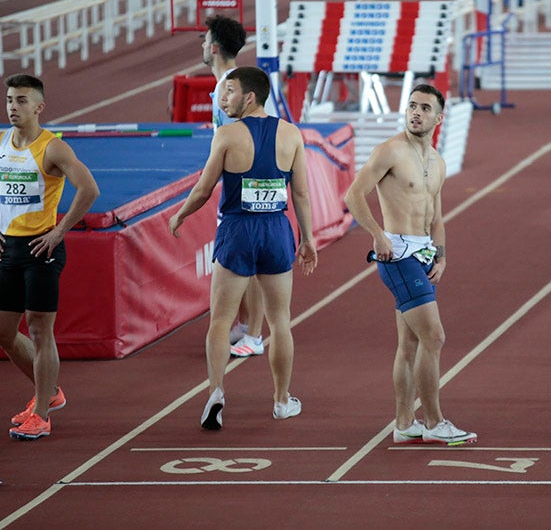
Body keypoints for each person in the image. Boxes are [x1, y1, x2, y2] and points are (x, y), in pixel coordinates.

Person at [169, 66, 317, 430]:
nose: (225, 98)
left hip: (237, 229)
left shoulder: (227, 135)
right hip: (276, 230)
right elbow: (300, 193)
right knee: (280, 321)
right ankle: (282, 400)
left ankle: (216, 392)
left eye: (230, 91)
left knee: (220, 321)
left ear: (249, 96)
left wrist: (180, 216)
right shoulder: (291, 134)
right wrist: (309, 239)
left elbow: (203, 190)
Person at [343, 83, 477, 446]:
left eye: (424, 108)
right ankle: (434, 422)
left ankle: (405, 423)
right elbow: (353, 194)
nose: (416, 113)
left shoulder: (438, 162)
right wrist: (376, 234)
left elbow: (435, 214)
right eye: (412, 106)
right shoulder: (390, 151)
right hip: (397, 253)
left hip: (424, 255)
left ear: (438, 117)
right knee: (434, 336)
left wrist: (443, 255)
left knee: (410, 345)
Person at [0, 74, 100, 440]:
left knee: (40, 329)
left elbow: (89, 189)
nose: (13, 106)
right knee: (2, 332)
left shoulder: (53, 148)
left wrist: (59, 231)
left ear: (39, 107)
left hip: (42, 248)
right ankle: (50, 391)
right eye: (10, 99)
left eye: (22, 100)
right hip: (9, 248)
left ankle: (41, 413)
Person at [201, 14, 266, 358]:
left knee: (247, 261)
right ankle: (243, 326)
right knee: (240, 259)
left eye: (203, 40)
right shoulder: (229, 83)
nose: (201, 45)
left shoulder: (229, 88)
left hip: (240, 186)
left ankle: (254, 334)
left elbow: (245, 135)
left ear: (213, 48)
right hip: (237, 183)